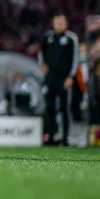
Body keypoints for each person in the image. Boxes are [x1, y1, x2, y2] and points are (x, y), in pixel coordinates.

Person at [38, 14, 80, 146]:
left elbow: (75, 59)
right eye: (57, 22)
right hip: (50, 79)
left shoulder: (71, 38)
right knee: (49, 108)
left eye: (62, 22)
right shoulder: (47, 37)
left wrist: (70, 76)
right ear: (53, 23)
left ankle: (66, 138)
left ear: (66, 24)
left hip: (64, 79)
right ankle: (50, 137)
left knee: (64, 109)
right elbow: (41, 53)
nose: (60, 25)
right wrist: (43, 65)